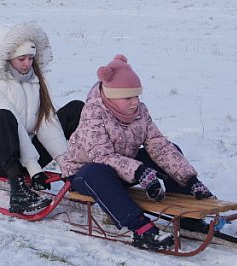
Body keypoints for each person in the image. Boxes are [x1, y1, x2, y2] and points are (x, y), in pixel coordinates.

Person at [61, 54, 214, 251]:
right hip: (85, 175)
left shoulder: (140, 111)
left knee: (170, 150)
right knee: (96, 172)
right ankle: (141, 228)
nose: (134, 102)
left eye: (137, 96)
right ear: (111, 97)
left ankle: (187, 217)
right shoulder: (94, 113)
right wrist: (140, 171)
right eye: (128, 97)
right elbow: (101, 156)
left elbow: (158, 145)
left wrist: (190, 179)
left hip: (123, 168)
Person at [0, 22, 84, 214]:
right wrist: (34, 169)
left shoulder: (33, 80)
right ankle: (18, 192)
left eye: (30, 58)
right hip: (3, 158)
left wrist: (66, 164)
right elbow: (16, 126)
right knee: (2, 116)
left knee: (76, 108)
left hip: (29, 153)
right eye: (22, 59)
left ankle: (82, 171)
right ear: (9, 59)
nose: (28, 64)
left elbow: (47, 122)